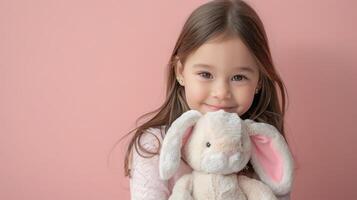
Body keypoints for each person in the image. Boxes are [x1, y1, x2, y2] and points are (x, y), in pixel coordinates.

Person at [123, 0, 294, 199]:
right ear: (180, 72)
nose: (221, 92)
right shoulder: (154, 147)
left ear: (259, 82)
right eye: (205, 74)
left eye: (238, 77)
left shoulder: (262, 146)